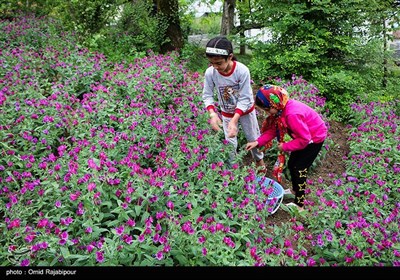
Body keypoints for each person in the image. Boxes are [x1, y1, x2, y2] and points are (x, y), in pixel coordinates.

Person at [246, 84, 328, 211]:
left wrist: (285, 146)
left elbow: (305, 139)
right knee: (292, 164)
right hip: (304, 137)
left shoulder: (291, 115)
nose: (267, 113)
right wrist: (258, 142)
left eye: (267, 110)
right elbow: (274, 130)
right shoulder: (281, 109)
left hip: (314, 139)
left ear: (274, 104)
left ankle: (299, 204)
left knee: (299, 169)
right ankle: (296, 191)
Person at [202, 36, 266, 172]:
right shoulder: (210, 73)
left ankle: (259, 161)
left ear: (230, 57)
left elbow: (245, 98)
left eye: (218, 63)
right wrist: (213, 114)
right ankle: (233, 170)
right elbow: (207, 95)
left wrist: (235, 120)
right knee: (230, 143)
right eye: (211, 63)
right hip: (226, 113)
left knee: (253, 137)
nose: (215, 67)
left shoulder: (242, 71)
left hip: (246, 112)